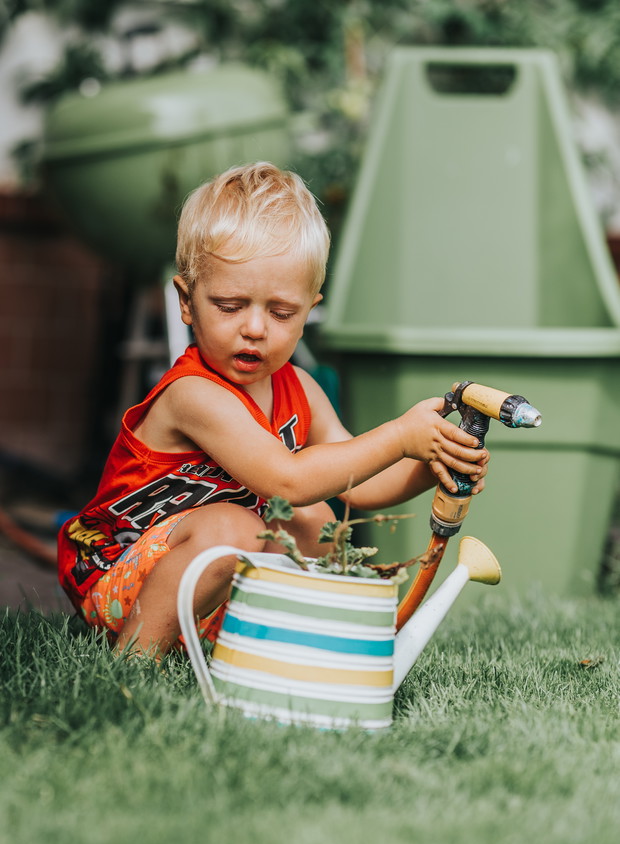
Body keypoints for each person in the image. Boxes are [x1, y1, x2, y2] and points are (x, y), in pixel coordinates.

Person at [58, 162, 489, 659]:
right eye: (229, 305)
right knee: (239, 524)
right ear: (186, 301)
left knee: (311, 518)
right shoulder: (193, 394)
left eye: (281, 312)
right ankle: (136, 659)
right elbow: (286, 479)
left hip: (210, 574)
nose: (256, 328)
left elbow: (360, 484)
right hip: (118, 578)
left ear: (308, 312)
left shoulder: (298, 388)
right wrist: (399, 435)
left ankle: (290, 644)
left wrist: (432, 461)